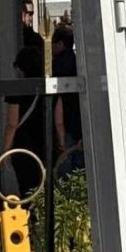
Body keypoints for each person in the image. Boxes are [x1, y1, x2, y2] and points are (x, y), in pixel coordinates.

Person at [1, 46, 46, 201]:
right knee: (47, 185)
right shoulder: (48, 85)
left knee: (27, 188)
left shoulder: (17, 89)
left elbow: (11, 124)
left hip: (23, 145)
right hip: (46, 142)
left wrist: (6, 150)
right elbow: (59, 121)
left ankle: (31, 214)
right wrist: (61, 144)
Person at [52, 25, 84, 175]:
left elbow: (58, 100)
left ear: (60, 44)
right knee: (80, 167)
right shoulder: (78, 62)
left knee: (65, 167)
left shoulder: (57, 65)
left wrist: (60, 136)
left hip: (65, 122)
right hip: (80, 120)